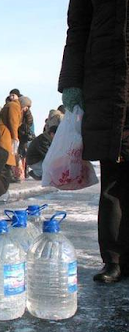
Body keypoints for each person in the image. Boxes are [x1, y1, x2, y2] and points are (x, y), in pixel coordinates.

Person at [59, 0, 129, 283]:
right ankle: (114, 259)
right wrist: (72, 82)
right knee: (113, 176)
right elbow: (77, 30)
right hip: (105, 82)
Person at [0, 96, 32, 183]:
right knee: (6, 155)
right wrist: (15, 137)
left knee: (6, 155)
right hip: (4, 133)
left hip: (4, 132)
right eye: (27, 106)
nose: (26, 109)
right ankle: (6, 176)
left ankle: (7, 175)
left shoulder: (14, 106)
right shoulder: (14, 106)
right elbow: (13, 122)